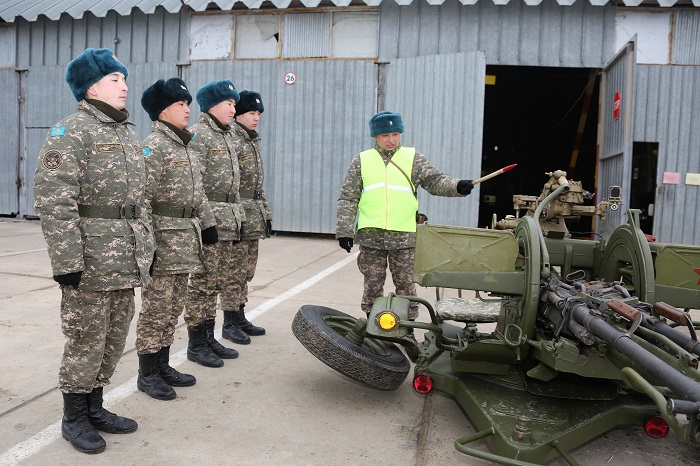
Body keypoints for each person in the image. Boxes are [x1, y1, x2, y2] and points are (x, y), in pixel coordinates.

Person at [33, 48, 154, 454]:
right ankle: (75, 417)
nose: (124, 85)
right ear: (91, 87)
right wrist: (66, 262)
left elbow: (141, 200)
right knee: (86, 338)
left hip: (125, 257)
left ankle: (95, 406)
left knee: (115, 336)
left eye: (123, 78)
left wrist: (146, 247)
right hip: (89, 260)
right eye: (115, 79)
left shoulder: (127, 133)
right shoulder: (69, 133)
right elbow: (54, 199)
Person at [136, 77, 227, 399]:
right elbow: (142, 201)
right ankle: (147, 373)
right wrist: (149, 246)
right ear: (162, 111)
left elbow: (198, 191)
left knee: (173, 307)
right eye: (180, 105)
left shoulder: (183, 145)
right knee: (156, 309)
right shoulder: (154, 147)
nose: (187, 110)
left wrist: (207, 223)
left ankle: (162, 365)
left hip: (185, 241)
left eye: (188, 104)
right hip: (164, 241)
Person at [336, 111, 474, 319]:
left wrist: (457, 186)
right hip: (371, 236)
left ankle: (408, 326)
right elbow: (348, 198)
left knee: (406, 285)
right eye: (385, 135)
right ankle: (372, 324)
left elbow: (435, 181)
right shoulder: (362, 161)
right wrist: (344, 231)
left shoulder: (413, 159)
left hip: (404, 236)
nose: (391, 140)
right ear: (375, 136)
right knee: (372, 284)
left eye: (395, 134)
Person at [185, 80, 251, 365]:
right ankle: (196, 342)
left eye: (235, 104)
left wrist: (240, 219)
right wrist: (206, 221)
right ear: (213, 105)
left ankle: (209, 337)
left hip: (228, 220)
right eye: (229, 103)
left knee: (216, 282)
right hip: (210, 220)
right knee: (202, 283)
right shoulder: (199, 135)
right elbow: (194, 183)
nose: (233, 109)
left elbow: (233, 187)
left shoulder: (226, 135)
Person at [221, 90, 271, 344]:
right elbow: (232, 185)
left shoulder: (251, 141)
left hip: (253, 217)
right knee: (234, 271)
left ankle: (239, 314)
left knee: (247, 270)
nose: (256, 117)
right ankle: (229, 321)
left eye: (258, 113)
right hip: (239, 217)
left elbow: (256, 186)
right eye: (251, 112)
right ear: (238, 115)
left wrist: (265, 214)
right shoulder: (234, 141)